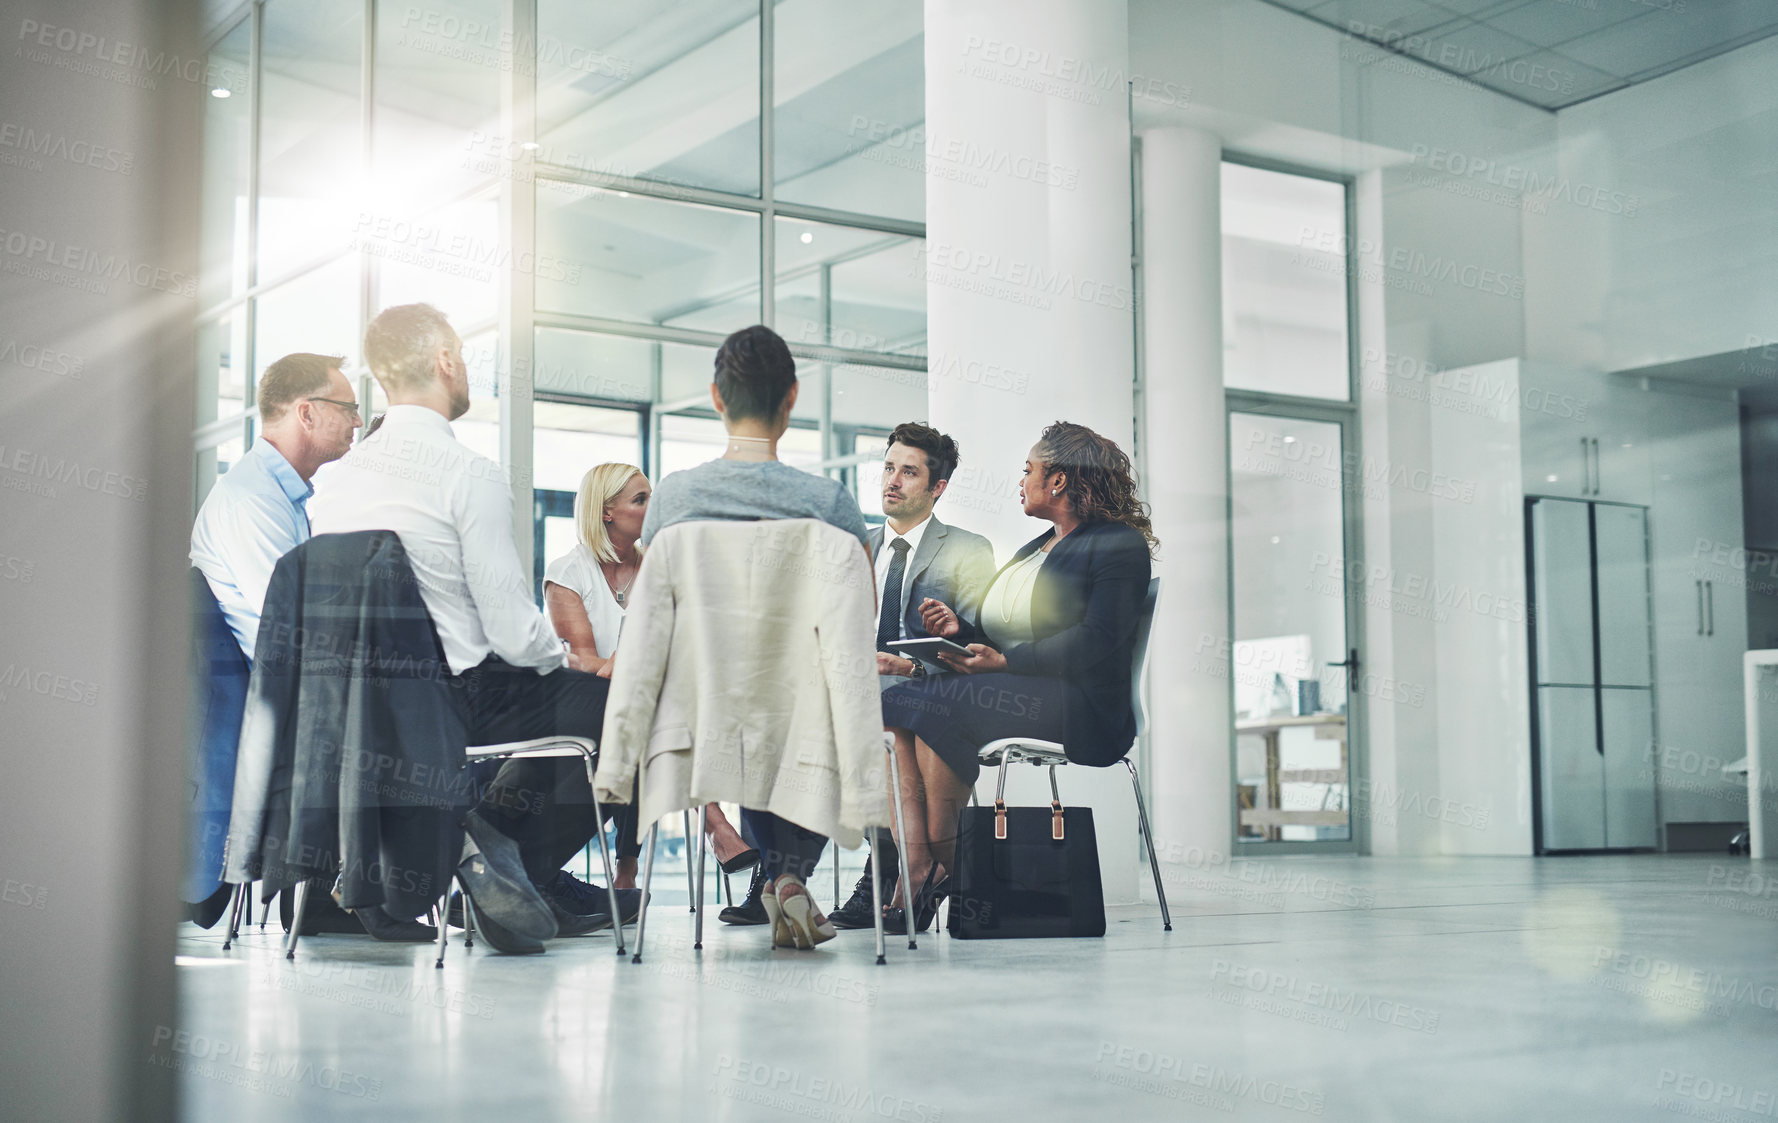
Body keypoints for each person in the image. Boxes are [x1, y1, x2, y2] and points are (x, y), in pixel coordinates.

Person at [308, 303, 638, 954]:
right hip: (457, 702)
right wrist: (565, 660)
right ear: (445, 361)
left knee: (575, 707)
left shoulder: (332, 485)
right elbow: (516, 635)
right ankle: (506, 863)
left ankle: (492, 852)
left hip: (358, 712)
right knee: (629, 708)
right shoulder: (468, 475)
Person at [639, 324, 869, 949]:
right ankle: (789, 873)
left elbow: (657, 607)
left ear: (717, 398)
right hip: (799, 706)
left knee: (753, 715)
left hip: (703, 704)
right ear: (791, 399)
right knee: (810, 708)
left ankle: (775, 876)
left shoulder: (673, 499)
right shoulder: (829, 503)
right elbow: (857, 613)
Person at [879, 421, 1158, 934]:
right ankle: (919, 864)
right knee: (900, 703)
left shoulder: (1118, 545)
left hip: (1081, 705)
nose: (1022, 479)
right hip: (1021, 688)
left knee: (943, 705)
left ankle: (939, 865)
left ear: (1058, 481)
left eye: (1029, 470)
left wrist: (1007, 663)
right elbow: (1000, 631)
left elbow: (1099, 639)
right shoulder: (1038, 547)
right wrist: (958, 630)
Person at [541, 463, 757, 889]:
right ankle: (710, 825)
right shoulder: (568, 572)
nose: (653, 506)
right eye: (641, 500)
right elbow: (586, 661)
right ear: (606, 512)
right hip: (588, 701)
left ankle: (631, 866)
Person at [825, 422, 995, 931]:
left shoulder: (969, 547)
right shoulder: (855, 548)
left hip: (929, 689)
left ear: (937, 487)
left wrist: (913, 664)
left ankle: (895, 871)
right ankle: (776, 876)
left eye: (909, 472)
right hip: (854, 686)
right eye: (889, 468)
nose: (892, 481)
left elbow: (976, 640)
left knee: (893, 710)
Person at [190, 353, 359, 662]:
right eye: (349, 409)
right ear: (307, 414)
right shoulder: (254, 501)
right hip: (280, 699)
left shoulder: (281, 496)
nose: (357, 422)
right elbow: (303, 629)